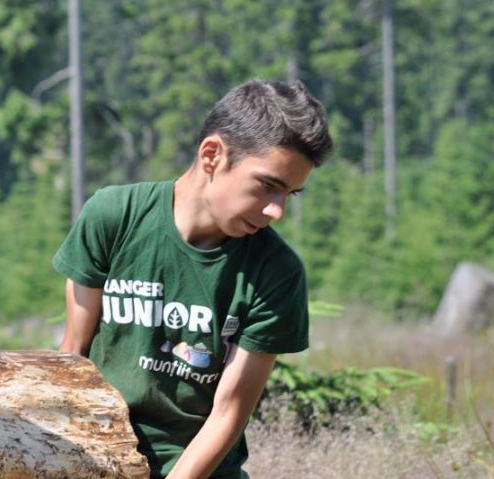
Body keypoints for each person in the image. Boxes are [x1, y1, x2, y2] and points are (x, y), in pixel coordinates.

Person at [53, 79, 333, 478]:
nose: (277, 211)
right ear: (212, 155)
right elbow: (72, 356)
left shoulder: (276, 272)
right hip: (97, 456)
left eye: (290, 193)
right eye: (268, 186)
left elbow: (228, 414)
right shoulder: (115, 216)